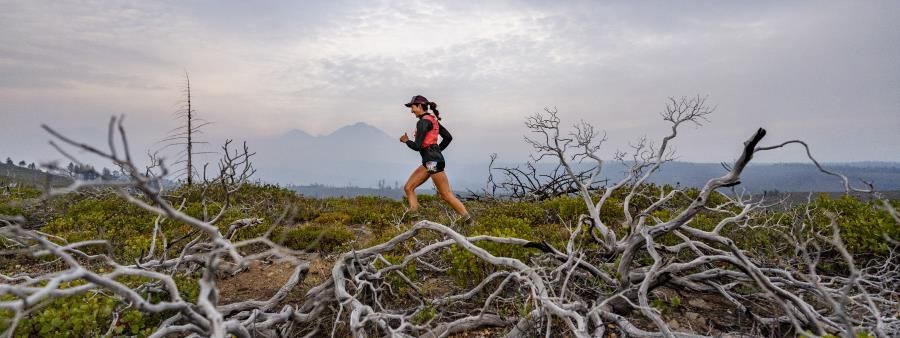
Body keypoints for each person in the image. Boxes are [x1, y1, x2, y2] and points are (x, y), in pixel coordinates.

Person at [399, 95, 474, 226]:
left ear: (420, 106)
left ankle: (469, 222)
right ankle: (414, 220)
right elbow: (448, 137)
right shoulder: (432, 120)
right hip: (430, 161)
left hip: (432, 162)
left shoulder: (423, 122)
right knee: (408, 187)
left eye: (413, 107)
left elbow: (417, 146)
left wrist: (406, 141)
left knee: (445, 194)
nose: (411, 111)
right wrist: (437, 151)